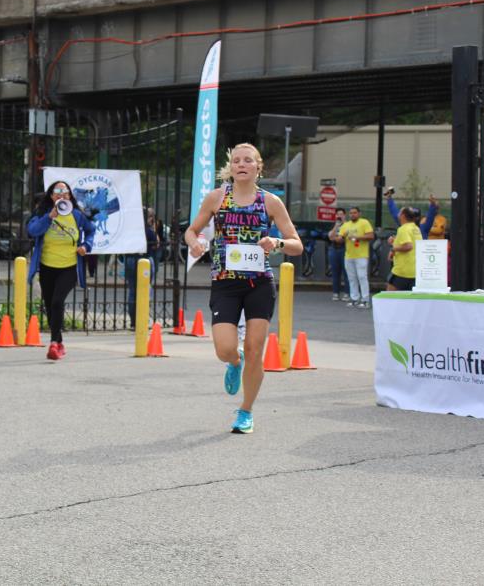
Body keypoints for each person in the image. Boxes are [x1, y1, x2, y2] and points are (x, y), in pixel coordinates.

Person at [184, 143, 303, 434]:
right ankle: (234, 362)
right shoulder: (217, 198)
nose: (241, 164)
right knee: (225, 349)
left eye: (247, 160)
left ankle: (246, 411)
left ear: (257, 167)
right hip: (225, 282)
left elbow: (296, 244)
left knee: (255, 349)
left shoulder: (270, 202)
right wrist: (195, 243)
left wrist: (277, 243)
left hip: (259, 283)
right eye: (236, 160)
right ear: (231, 167)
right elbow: (191, 230)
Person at [27, 181, 96, 361]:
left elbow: (91, 230)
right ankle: (59, 342)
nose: (62, 196)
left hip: (69, 267)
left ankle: (53, 344)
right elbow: (32, 231)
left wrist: (86, 246)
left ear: (70, 196)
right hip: (47, 267)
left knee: (57, 302)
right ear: (51, 196)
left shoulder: (77, 215)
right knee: (50, 306)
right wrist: (49, 217)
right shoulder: (42, 213)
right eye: (57, 192)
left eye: (65, 193)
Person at [331, 206, 374, 308]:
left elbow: (371, 236)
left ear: (359, 213)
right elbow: (339, 239)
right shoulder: (346, 225)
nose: (352, 215)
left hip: (361, 255)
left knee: (362, 277)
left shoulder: (364, 222)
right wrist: (337, 237)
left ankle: (365, 299)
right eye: (351, 213)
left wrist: (357, 237)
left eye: (355, 213)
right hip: (349, 255)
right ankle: (354, 298)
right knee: (351, 278)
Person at [124, 207, 160, 328]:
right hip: (145, 259)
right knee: (145, 289)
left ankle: (133, 321)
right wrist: (153, 227)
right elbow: (156, 244)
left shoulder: (130, 230)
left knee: (132, 290)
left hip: (130, 259)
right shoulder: (148, 231)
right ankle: (143, 319)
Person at [386, 206, 420, 291]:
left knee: (389, 295)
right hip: (414, 270)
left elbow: (408, 246)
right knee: (407, 297)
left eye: (399, 212)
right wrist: (395, 241)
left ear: (403, 216)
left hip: (402, 270)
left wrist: (393, 249)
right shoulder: (416, 228)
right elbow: (412, 244)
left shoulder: (403, 229)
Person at [326, 207, 349, 301]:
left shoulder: (348, 225)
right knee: (335, 272)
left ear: (344, 215)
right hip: (334, 249)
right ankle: (336, 292)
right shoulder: (334, 225)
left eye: (341, 214)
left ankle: (347, 293)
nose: (339, 216)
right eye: (338, 214)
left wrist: (337, 238)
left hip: (345, 249)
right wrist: (336, 226)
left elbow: (345, 237)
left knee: (346, 272)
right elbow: (330, 236)